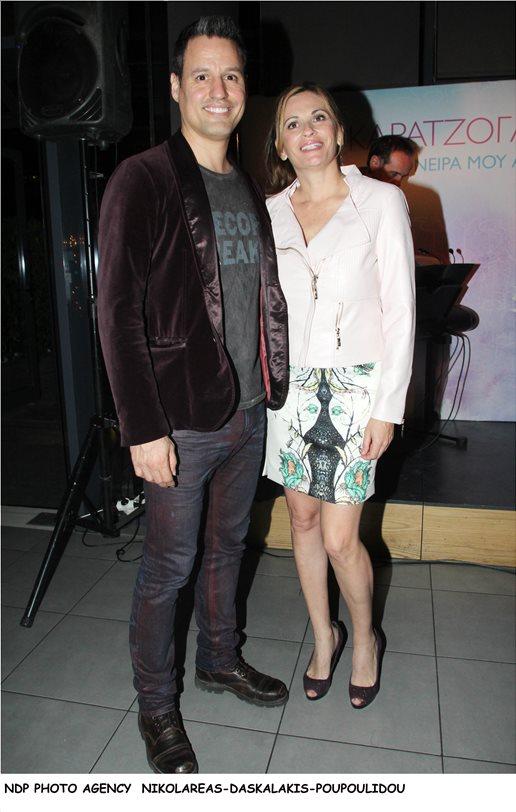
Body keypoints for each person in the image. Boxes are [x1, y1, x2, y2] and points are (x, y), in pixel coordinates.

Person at [97, 16, 289, 774]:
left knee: (228, 548)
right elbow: (116, 311)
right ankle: (156, 708)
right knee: (167, 569)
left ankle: (218, 659)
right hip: (178, 420)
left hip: (247, 410)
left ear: (245, 90)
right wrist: (142, 427)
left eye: (231, 76)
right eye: (202, 75)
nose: (219, 89)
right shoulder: (142, 178)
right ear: (176, 87)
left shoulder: (247, 185)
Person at [263, 83, 415, 708]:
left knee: (338, 538)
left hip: (355, 388)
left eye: (318, 117)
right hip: (290, 388)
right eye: (292, 122)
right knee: (300, 519)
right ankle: (324, 637)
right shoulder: (269, 212)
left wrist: (387, 407)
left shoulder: (380, 201)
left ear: (338, 131)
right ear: (280, 144)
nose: (307, 130)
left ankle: (364, 640)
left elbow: (401, 309)